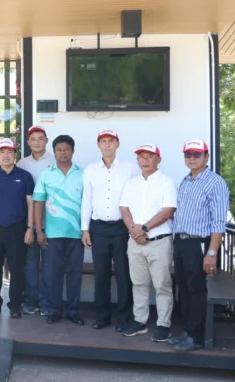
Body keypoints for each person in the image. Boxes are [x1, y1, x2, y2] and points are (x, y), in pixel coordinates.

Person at [169, 138, 230, 352]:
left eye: (197, 154)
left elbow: (218, 221)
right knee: (184, 288)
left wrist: (212, 252)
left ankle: (196, 337)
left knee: (196, 289)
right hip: (181, 242)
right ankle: (188, 331)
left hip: (199, 243)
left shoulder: (215, 182)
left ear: (207, 156)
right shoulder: (186, 180)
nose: (192, 158)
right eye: (188, 154)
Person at [80, 130, 139, 332]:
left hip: (121, 228)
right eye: (103, 141)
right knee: (101, 273)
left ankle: (123, 317)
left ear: (117, 144)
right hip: (98, 228)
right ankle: (102, 316)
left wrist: (134, 227)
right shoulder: (90, 170)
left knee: (123, 273)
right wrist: (85, 229)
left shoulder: (129, 168)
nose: (107, 145)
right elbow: (87, 200)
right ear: (98, 145)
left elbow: (135, 199)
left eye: (111, 141)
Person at [119, 144, 177, 342]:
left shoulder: (166, 182)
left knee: (162, 285)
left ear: (158, 159)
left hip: (159, 242)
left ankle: (163, 324)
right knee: (138, 283)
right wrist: (134, 231)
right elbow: (124, 209)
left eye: (149, 156)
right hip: (135, 241)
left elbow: (167, 211)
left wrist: (143, 228)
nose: (145, 160)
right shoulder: (131, 183)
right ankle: (140, 321)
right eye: (141, 157)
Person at [0, 138, 34, 318]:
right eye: (2, 152)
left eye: (9, 152)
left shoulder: (25, 177)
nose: (6, 155)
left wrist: (30, 228)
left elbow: (31, 204)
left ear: (15, 155)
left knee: (17, 269)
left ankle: (15, 305)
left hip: (17, 228)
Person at [34, 135, 85, 325]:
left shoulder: (83, 174)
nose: (63, 153)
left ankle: (73, 310)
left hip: (77, 233)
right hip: (52, 234)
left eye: (66, 149)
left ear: (73, 151)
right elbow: (38, 203)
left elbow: (88, 203)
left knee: (75, 274)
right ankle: (54, 310)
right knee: (53, 274)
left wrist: (86, 230)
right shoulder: (46, 174)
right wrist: (39, 231)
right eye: (59, 150)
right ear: (54, 152)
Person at [17, 125, 56, 316]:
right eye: (33, 139)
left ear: (46, 140)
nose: (37, 142)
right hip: (30, 223)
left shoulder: (55, 161)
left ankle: (47, 302)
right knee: (30, 263)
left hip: (52, 220)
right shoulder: (22, 164)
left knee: (49, 265)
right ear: (28, 142)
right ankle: (31, 301)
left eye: (41, 138)